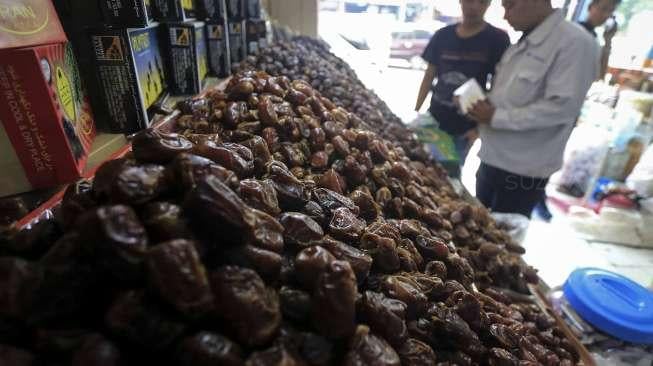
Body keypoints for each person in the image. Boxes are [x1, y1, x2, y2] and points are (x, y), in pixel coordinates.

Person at [467, 0, 600, 217]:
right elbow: (506, 95)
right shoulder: (524, 40)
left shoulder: (575, 42)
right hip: (492, 156)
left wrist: (496, 116)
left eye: (510, 6)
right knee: (475, 227)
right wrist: (482, 109)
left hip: (522, 170)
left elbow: (561, 107)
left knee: (501, 238)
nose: (505, 15)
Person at [414, 0, 510, 168]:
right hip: (434, 120)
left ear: (488, 5)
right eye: (469, 0)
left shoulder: (498, 39)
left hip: (465, 128)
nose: (474, 6)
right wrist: (417, 111)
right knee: (420, 166)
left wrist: (479, 129)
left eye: (481, 2)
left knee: (448, 177)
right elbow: (429, 75)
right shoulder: (442, 35)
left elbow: (499, 87)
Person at [578, 0, 621, 78]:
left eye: (610, 11)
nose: (606, 15)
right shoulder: (577, 33)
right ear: (590, 6)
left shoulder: (594, 38)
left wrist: (608, 41)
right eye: (603, 9)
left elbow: (600, 74)